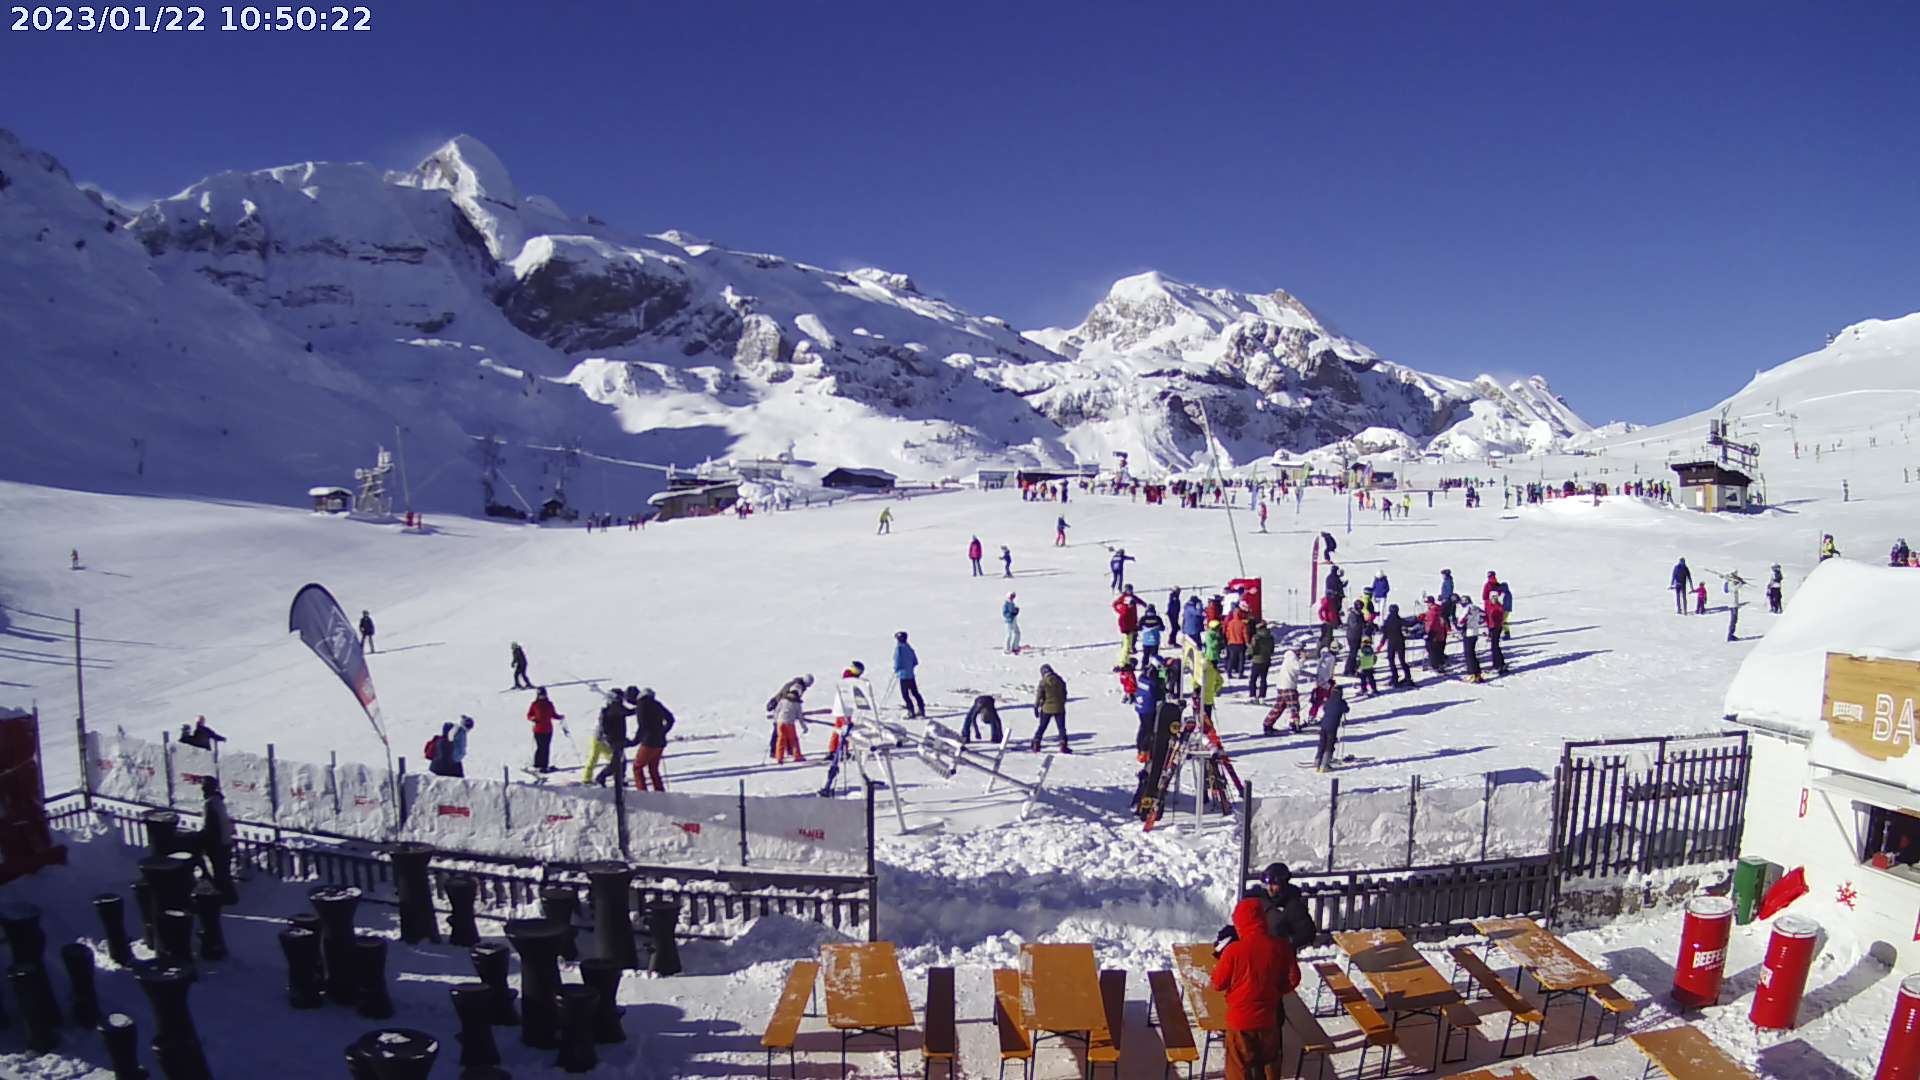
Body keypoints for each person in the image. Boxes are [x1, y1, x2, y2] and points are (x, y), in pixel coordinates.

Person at [1209, 895, 1301, 1080]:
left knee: (1239, 1068)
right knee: (1269, 1065)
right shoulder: (1280, 946)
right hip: (1268, 1018)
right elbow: (1293, 979)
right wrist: (1275, 991)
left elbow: (1218, 984)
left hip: (1240, 1021)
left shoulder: (1233, 951)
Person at [1256, 863, 1318, 950]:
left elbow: (1307, 933)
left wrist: (1285, 942)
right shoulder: (1261, 899)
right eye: (1267, 884)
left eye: (1274, 884)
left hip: (1281, 954)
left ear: (1283, 884)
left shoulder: (1293, 905)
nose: (1269, 888)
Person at [198, 778, 239, 904]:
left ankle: (227, 897)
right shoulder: (218, 802)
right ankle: (229, 896)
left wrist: (203, 840)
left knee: (220, 874)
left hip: (218, 844)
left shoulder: (209, 804)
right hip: (225, 842)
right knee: (223, 872)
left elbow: (211, 827)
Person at [584, 689, 632, 785]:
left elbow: (627, 712)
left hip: (611, 739)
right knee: (596, 758)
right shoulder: (612, 709)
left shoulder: (617, 708)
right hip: (602, 740)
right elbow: (627, 712)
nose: (622, 700)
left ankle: (619, 778)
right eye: (620, 698)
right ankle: (589, 778)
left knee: (620, 760)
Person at [828, 661, 870, 756]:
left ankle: (834, 749)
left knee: (839, 729)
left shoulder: (846, 678)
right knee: (845, 731)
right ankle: (842, 750)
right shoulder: (852, 681)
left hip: (841, 709)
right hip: (845, 709)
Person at [766, 675, 810, 764]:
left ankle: (779, 756)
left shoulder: (784, 700)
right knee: (793, 739)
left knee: (780, 738)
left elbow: (778, 710)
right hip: (790, 723)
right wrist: (804, 726)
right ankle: (796, 755)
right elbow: (800, 716)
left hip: (780, 722)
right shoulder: (797, 702)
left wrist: (776, 719)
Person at [1263, 649, 1305, 734]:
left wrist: (1312, 675)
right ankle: (1295, 725)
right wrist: (1303, 659)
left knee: (1279, 707)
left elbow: (1296, 670)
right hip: (1289, 686)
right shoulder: (1292, 658)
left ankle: (1267, 724)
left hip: (1282, 686)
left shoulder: (1288, 658)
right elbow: (1298, 667)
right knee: (1294, 707)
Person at [1032, 664, 1069, 752]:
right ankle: (1063, 744)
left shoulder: (1043, 682)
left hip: (1046, 708)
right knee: (1061, 728)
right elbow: (1064, 693)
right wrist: (1062, 702)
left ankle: (1036, 743)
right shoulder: (1059, 680)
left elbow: (1039, 696)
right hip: (1059, 707)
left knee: (1042, 727)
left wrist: (1036, 707)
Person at [526, 688, 563, 772]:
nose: (542, 696)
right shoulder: (535, 704)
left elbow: (553, 714)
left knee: (546, 748)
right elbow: (529, 714)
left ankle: (544, 766)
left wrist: (559, 717)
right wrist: (532, 718)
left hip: (548, 730)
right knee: (540, 747)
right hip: (538, 730)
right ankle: (537, 764)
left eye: (543, 695)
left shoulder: (549, 704)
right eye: (540, 695)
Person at [1316, 682, 1348, 772]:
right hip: (1332, 727)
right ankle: (1325, 764)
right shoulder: (1341, 702)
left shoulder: (1329, 700)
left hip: (1323, 725)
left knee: (1322, 743)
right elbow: (1346, 709)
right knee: (1329, 745)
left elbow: (1325, 708)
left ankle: (1317, 761)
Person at [893, 631, 925, 718]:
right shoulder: (909, 648)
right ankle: (921, 709)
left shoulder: (898, 649)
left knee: (905, 694)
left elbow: (897, 662)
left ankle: (911, 711)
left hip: (903, 676)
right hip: (911, 675)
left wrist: (896, 670)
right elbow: (915, 661)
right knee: (915, 693)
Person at [1382, 604, 1411, 686]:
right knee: (1402, 661)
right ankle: (1408, 678)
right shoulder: (1399, 620)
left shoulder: (1387, 620)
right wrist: (1418, 619)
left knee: (1391, 661)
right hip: (1400, 642)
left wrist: (1381, 643)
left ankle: (1395, 678)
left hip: (1391, 643)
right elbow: (1409, 624)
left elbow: (1385, 633)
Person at [1457, 598, 1485, 683]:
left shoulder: (1467, 608)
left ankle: (1472, 673)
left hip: (1468, 632)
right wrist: (1477, 623)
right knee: (1472, 653)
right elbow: (1484, 616)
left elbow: (1461, 621)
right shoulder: (1476, 607)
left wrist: (1460, 625)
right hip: (1475, 631)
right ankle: (1477, 673)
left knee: (1468, 654)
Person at [1247, 620, 1275, 702]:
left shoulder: (1256, 637)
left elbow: (1253, 648)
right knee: (1263, 678)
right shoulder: (1270, 637)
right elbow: (1272, 649)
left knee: (1253, 679)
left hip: (1257, 660)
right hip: (1266, 660)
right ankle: (1262, 696)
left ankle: (1253, 695)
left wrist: (1249, 654)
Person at [1114, 588, 1142, 666]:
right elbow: (1121, 621)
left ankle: (1127, 660)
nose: (1132, 606)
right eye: (1131, 604)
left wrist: (1135, 626)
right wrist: (1124, 630)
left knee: (1129, 647)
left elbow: (1137, 600)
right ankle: (1122, 663)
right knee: (1125, 647)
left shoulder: (1131, 608)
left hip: (1131, 628)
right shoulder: (1125, 610)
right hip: (1126, 631)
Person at [1485, 597, 1509, 676]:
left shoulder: (1499, 607)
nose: (1493, 600)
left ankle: (1500, 664)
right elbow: (1487, 616)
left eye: (1495, 598)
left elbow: (1500, 618)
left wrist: (1495, 625)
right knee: (1493, 647)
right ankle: (1496, 664)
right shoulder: (1489, 606)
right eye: (1492, 598)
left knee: (1495, 646)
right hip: (1491, 627)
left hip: (1496, 627)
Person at [1342, 601, 1366, 676]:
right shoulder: (1353, 615)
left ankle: (1351, 668)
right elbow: (1354, 626)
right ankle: (1349, 670)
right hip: (1352, 636)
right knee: (1353, 653)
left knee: (1354, 653)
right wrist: (1362, 625)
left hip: (1357, 636)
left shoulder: (1359, 614)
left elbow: (1362, 623)